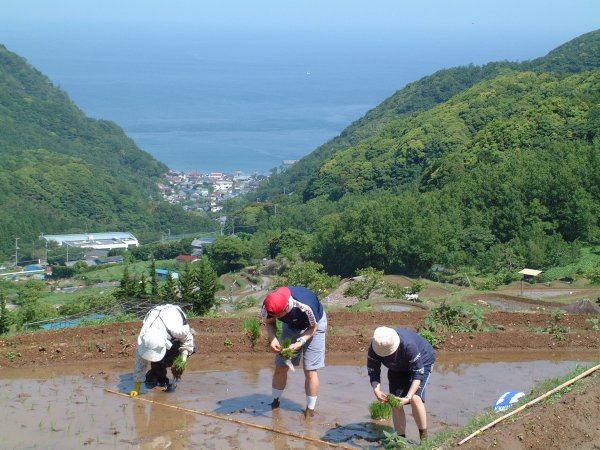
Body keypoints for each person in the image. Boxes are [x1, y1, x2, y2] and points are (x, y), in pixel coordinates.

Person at [261, 286, 327, 417]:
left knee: (310, 370)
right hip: (291, 326)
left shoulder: (305, 306)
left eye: (278, 316)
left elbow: (313, 327)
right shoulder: (268, 306)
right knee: (281, 366)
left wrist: (299, 342)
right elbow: (269, 322)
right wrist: (273, 339)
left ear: (286, 308)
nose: (276, 318)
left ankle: (310, 410)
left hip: (314, 325)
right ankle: (275, 403)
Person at [367, 326, 435, 443]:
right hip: (396, 367)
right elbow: (373, 372)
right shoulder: (376, 347)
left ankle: (424, 439)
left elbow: (417, 374)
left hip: (423, 361)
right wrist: (376, 390)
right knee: (395, 403)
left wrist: (407, 397)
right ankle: (401, 440)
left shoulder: (408, 345)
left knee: (415, 398)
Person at [130, 304, 195, 397]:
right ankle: (157, 377)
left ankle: (159, 370)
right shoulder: (144, 337)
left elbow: (188, 341)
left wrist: (183, 359)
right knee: (158, 363)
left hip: (172, 318)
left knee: (186, 350)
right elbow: (140, 363)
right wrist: (137, 388)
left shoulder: (176, 330)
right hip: (155, 315)